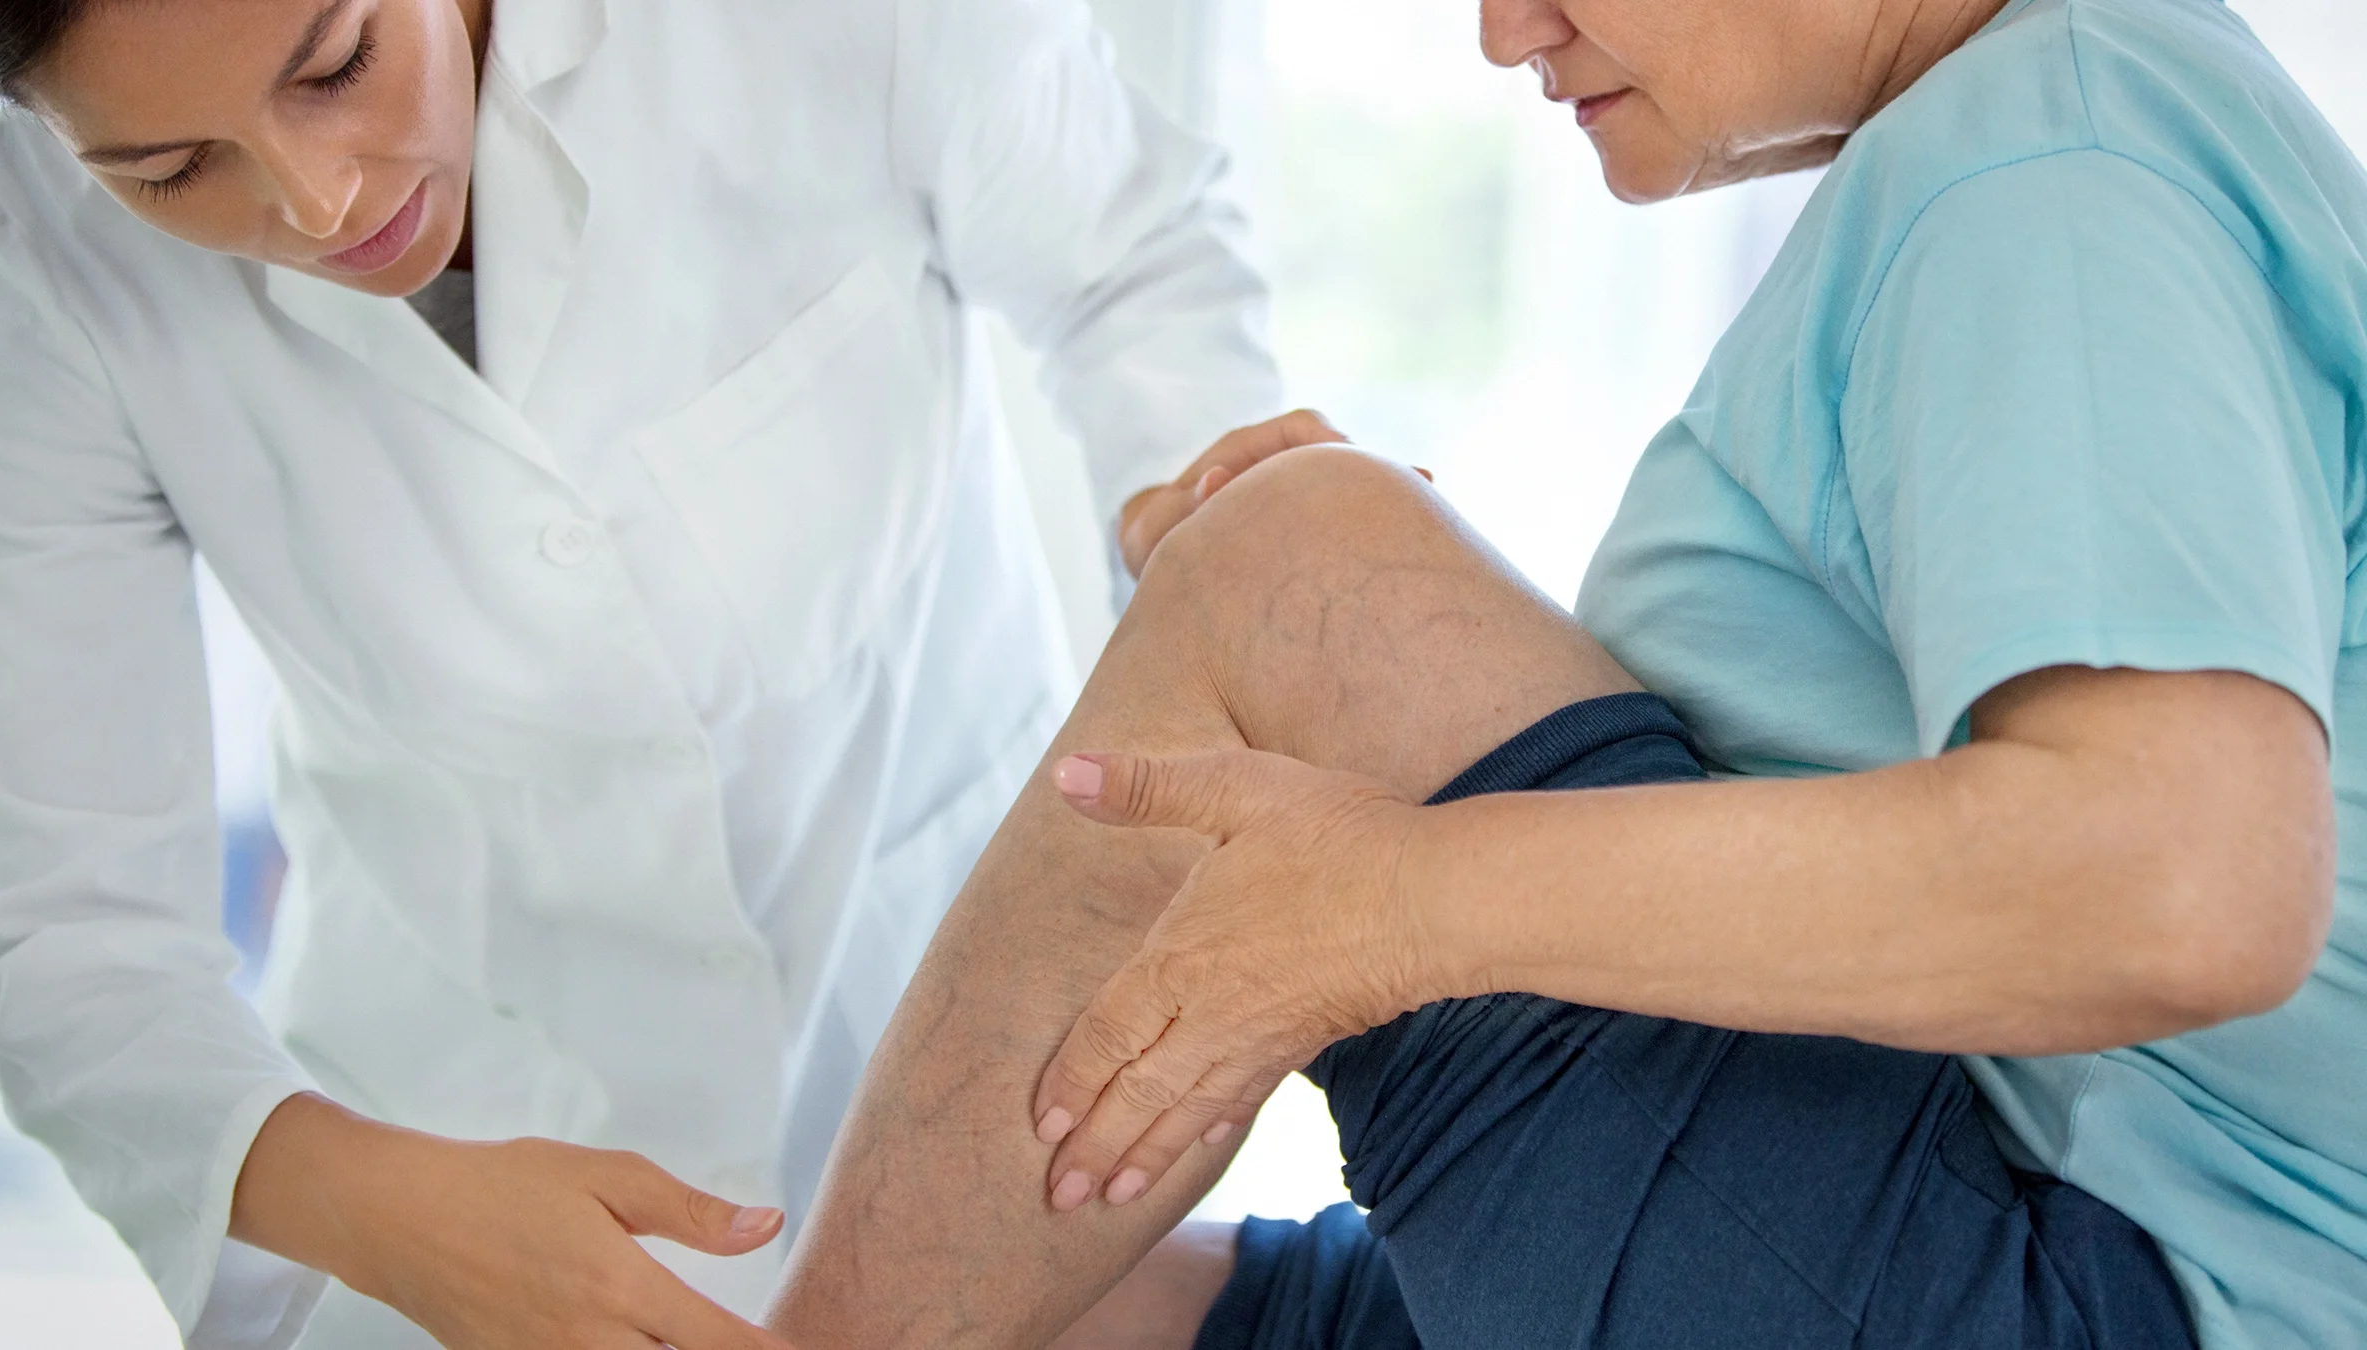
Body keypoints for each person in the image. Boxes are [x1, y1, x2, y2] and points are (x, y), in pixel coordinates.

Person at [758, 0, 2367, 1345]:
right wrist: (1412, 675)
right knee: (1081, 1318)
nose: (1500, 30)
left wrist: (1392, 895)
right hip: (2019, 1213)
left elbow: (2183, 885)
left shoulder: (2046, 169)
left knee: (1299, 564)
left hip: (2109, 1286)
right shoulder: (2075, 128)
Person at [0, 0, 1304, 1345]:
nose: (317, 202)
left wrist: (1204, 529)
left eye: (338, 64)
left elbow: (1134, 268)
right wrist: (376, 1208)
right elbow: (66, 933)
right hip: (445, 1125)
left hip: (948, 1031)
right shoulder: (34, 266)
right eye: (169, 170)